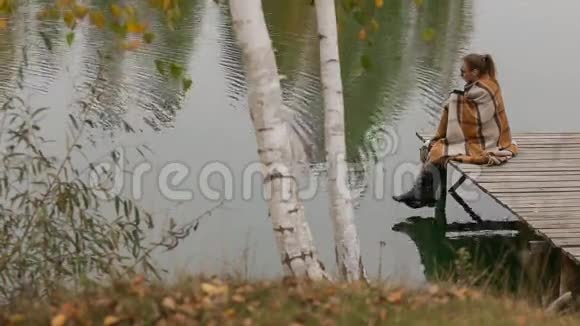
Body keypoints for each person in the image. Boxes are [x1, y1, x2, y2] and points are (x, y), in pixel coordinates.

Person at [393, 53, 518, 209]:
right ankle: (424, 193)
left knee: (439, 149)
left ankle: (422, 193)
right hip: (486, 135)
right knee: (437, 147)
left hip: (489, 140)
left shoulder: (485, 89)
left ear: (475, 72)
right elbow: (471, 113)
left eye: (463, 71)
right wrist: (457, 102)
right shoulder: (484, 84)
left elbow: (478, 118)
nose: (461, 74)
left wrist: (454, 102)